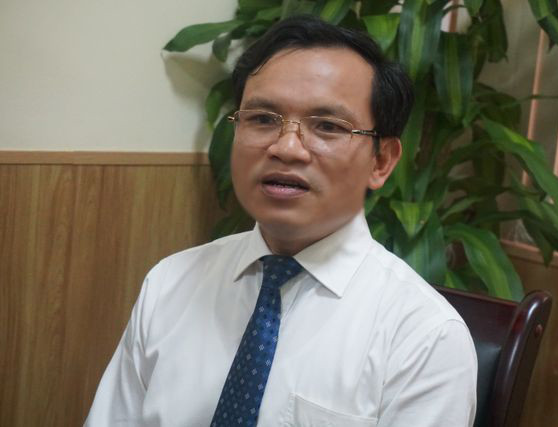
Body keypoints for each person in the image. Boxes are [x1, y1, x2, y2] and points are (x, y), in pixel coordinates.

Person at [85, 15, 477, 427]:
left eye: (328, 126)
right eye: (263, 119)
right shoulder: (170, 283)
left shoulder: (424, 338)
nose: (287, 148)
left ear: (381, 161)